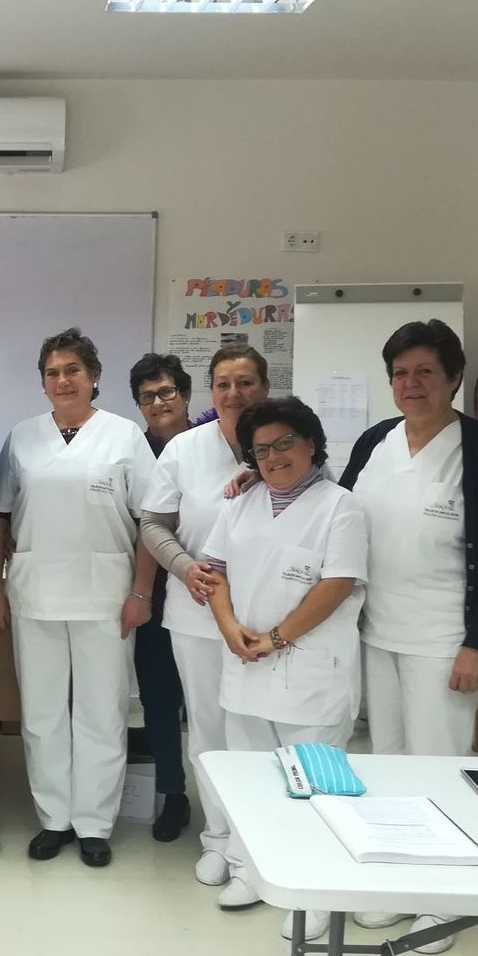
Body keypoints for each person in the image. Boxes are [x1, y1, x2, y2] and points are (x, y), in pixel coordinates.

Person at [338, 319, 478, 953]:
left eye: (426, 372)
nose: (412, 384)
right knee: (390, 764)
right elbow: (337, 508)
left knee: (439, 767)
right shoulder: (378, 439)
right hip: (378, 630)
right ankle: (401, 883)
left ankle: (443, 901)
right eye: (401, 373)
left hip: (444, 637)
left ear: (454, 377)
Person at [0, 329, 156, 868]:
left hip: (106, 595)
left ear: (94, 376)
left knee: (102, 712)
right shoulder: (24, 437)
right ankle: (53, 818)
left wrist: (141, 591)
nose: (62, 381)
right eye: (52, 373)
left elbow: (151, 520)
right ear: (42, 382)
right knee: (41, 713)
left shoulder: (125, 437)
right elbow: (0, 515)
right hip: (34, 592)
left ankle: (95, 824)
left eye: (73, 371)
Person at [205, 397, 368, 939]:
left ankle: (317, 891)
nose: (273, 457)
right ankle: (250, 871)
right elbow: (215, 572)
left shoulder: (340, 506)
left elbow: (337, 585)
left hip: (308, 667)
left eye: (284, 444)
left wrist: (274, 638)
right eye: (261, 450)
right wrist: (230, 628)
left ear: (311, 444)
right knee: (252, 780)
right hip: (246, 661)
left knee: (316, 786)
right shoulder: (240, 504)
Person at [139, 345, 270, 890]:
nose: (233, 393)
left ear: (263, 387)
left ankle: (257, 844)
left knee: (257, 731)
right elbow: (153, 524)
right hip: (195, 613)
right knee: (209, 731)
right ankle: (217, 838)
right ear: (210, 393)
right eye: (223, 384)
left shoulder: (285, 443)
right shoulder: (184, 450)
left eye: (244, 382)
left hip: (266, 616)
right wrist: (184, 567)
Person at [127, 352, 194, 842]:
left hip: (212, 596)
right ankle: (174, 793)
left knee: (215, 703)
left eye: (167, 392)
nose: (158, 402)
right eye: (147, 397)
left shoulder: (217, 445)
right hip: (153, 595)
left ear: (186, 395)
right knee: (159, 698)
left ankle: (227, 792)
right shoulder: (133, 450)